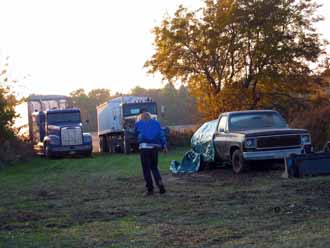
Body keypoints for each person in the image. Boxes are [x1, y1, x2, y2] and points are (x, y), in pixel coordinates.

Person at [135, 110, 167, 195]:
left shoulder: (138, 124)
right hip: (154, 148)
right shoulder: (156, 123)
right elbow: (161, 134)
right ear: (150, 116)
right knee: (155, 168)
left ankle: (150, 189)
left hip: (144, 148)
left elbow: (135, 133)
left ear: (141, 116)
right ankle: (161, 186)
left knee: (146, 170)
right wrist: (164, 145)